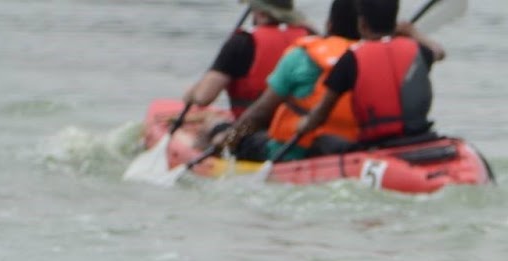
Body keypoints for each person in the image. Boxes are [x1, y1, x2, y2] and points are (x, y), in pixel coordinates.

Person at [222, 0, 446, 161]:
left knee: (237, 137)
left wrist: (229, 139)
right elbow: (437, 52)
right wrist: (410, 32)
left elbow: (260, 114)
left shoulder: (345, 59)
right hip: (365, 144)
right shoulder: (412, 52)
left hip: (300, 149)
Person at [290, 0, 439, 151]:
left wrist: (302, 125)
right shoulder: (418, 51)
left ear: (361, 24)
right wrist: (412, 32)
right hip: (421, 136)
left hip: (376, 144)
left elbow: (320, 115)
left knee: (321, 141)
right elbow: (438, 52)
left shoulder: (351, 58)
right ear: (395, 23)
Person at [180, 2, 314, 123]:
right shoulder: (310, 37)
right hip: (299, 124)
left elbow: (204, 97)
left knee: (211, 121)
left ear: (260, 13)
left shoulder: (242, 41)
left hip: (251, 126)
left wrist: (191, 94)